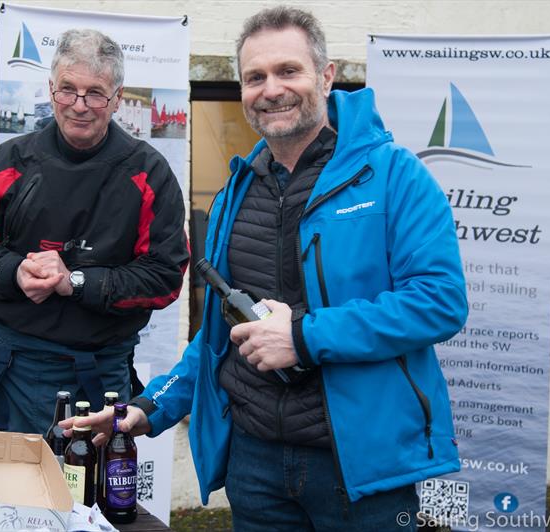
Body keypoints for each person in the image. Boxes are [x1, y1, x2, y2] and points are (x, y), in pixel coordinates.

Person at [67, 6, 469, 531]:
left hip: (363, 467)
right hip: (255, 464)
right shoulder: (241, 188)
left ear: (326, 77)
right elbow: (221, 333)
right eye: (255, 77)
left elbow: (440, 301)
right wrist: (148, 408)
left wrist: (303, 336)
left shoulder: (395, 176)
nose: (271, 89)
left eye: (288, 71)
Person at [0, 29, 189, 434]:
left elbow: (164, 279)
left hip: (101, 372)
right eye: (67, 90)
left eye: (95, 93)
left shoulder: (149, 175)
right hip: (10, 365)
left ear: (117, 97)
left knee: (90, 494)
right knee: (7, 492)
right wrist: (13, 272)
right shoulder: (8, 163)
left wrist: (75, 281)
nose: (79, 105)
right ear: (51, 88)